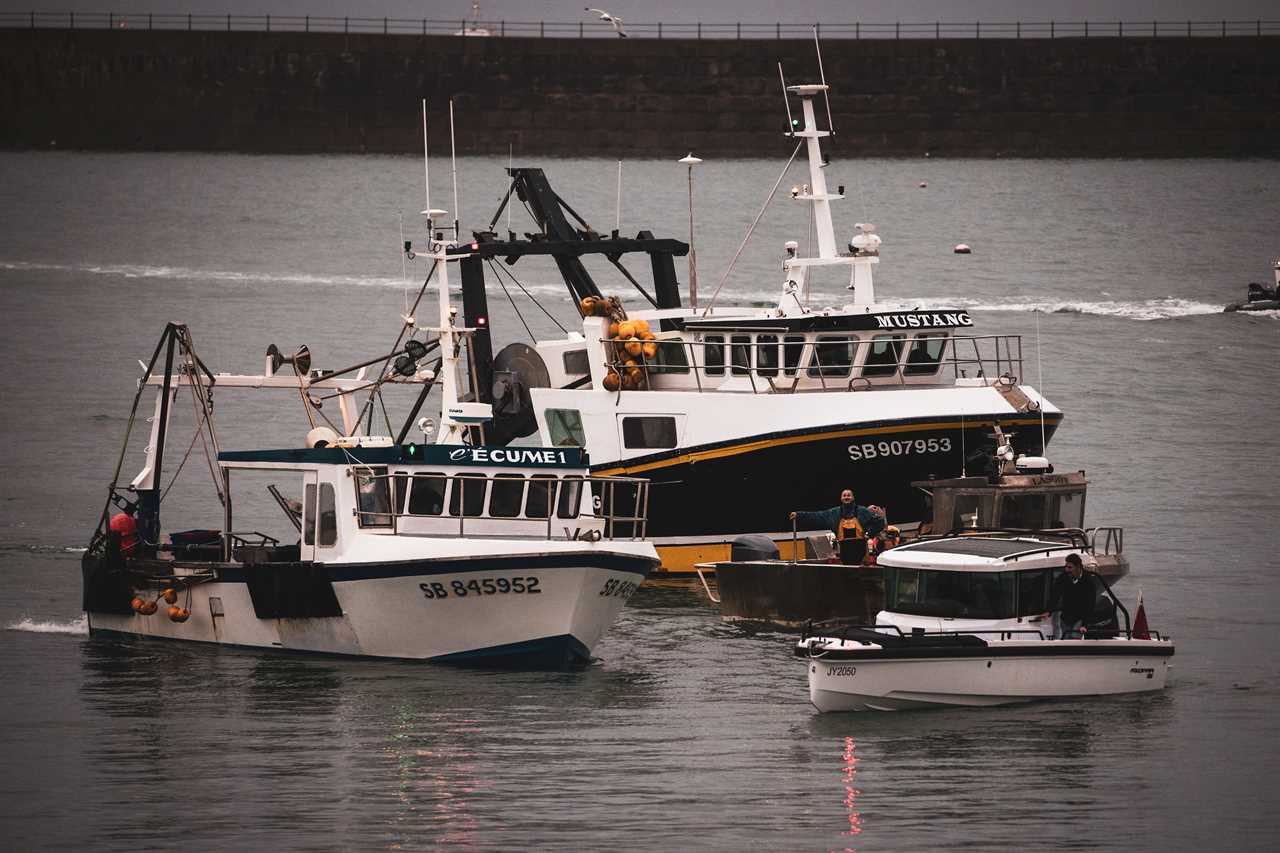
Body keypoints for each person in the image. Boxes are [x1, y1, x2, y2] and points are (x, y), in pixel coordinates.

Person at [790, 489, 886, 565]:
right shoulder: (834, 513)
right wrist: (799, 515)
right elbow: (816, 516)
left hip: (861, 552)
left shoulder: (862, 511)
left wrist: (869, 534)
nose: (846, 497)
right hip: (844, 552)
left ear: (853, 498)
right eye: (844, 495)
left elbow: (879, 523)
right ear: (841, 498)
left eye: (849, 495)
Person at [1047, 553, 1100, 639]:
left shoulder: (1088, 581)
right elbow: (1055, 594)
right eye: (1066, 567)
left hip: (1080, 617)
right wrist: (1049, 610)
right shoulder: (1063, 577)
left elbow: (1090, 604)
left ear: (1078, 567)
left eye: (1070, 567)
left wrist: (1085, 625)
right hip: (1066, 616)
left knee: (1074, 637)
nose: (1067, 570)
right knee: (1066, 638)